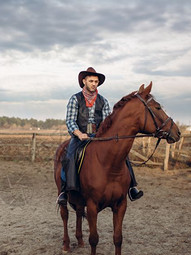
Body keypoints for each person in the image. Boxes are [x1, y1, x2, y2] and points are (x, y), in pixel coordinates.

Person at [57, 67, 143, 205]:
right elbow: (70, 121)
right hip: (80, 136)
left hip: (98, 137)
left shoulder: (103, 101)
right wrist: (79, 133)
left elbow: (107, 122)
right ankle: (64, 191)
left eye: (96, 81)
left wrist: (102, 135)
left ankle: (132, 186)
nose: (94, 84)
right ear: (84, 81)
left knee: (122, 155)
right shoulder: (75, 99)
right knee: (69, 156)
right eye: (91, 81)